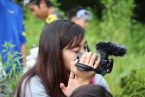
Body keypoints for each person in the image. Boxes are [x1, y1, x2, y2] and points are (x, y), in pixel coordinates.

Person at [14, 20, 104, 97]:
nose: (85, 54)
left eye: (85, 47)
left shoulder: (94, 77)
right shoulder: (33, 84)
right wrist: (81, 88)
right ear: (55, 53)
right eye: (76, 50)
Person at [0, 0, 27, 73]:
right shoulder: (2, 3)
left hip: (16, 65)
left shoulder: (18, 9)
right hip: (2, 64)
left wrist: (24, 66)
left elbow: (22, 40)